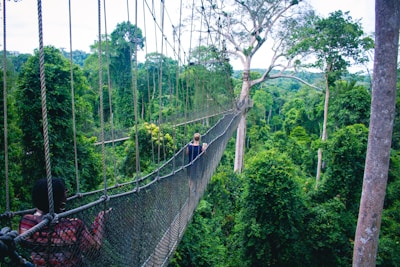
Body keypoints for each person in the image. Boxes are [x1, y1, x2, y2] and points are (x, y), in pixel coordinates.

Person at [19, 178, 109, 267]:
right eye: (65, 192)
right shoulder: (74, 226)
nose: (67, 194)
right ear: (61, 199)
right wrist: (101, 220)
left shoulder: (27, 222)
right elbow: (94, 253)